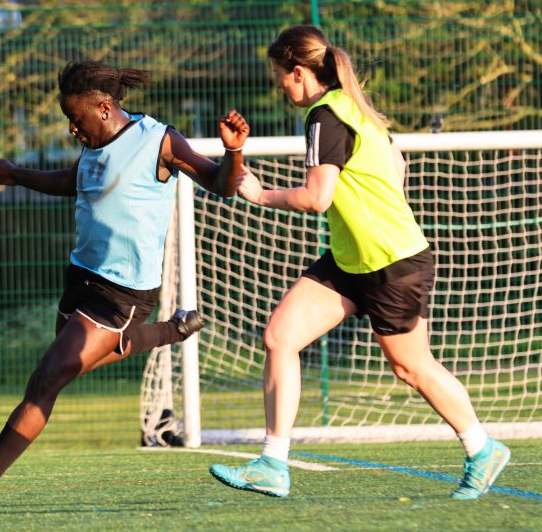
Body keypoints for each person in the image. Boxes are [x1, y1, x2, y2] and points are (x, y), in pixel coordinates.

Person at [208, 25, 510, 500]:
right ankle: (273, 464)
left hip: (392, 262)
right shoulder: (353, 108)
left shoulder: (325, 116)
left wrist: (260, 193)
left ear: (299, 71)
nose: (279, 85)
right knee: (280, 337)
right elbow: (398, 164)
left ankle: (482, 448)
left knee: (411, 368)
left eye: (280, 76)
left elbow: (316, 197)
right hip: (353, 259)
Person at [0, 59, 250, 512]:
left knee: (47, 378)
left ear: (104, 108)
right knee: (77, 364)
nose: (71, 129)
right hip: (80, 278)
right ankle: (173, 331)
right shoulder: (93, 145)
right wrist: (17, 174)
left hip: (122, 294)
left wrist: (234, 151)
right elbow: (74, 181)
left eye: (76, 118)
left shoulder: (159, 141)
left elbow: (222, 184)